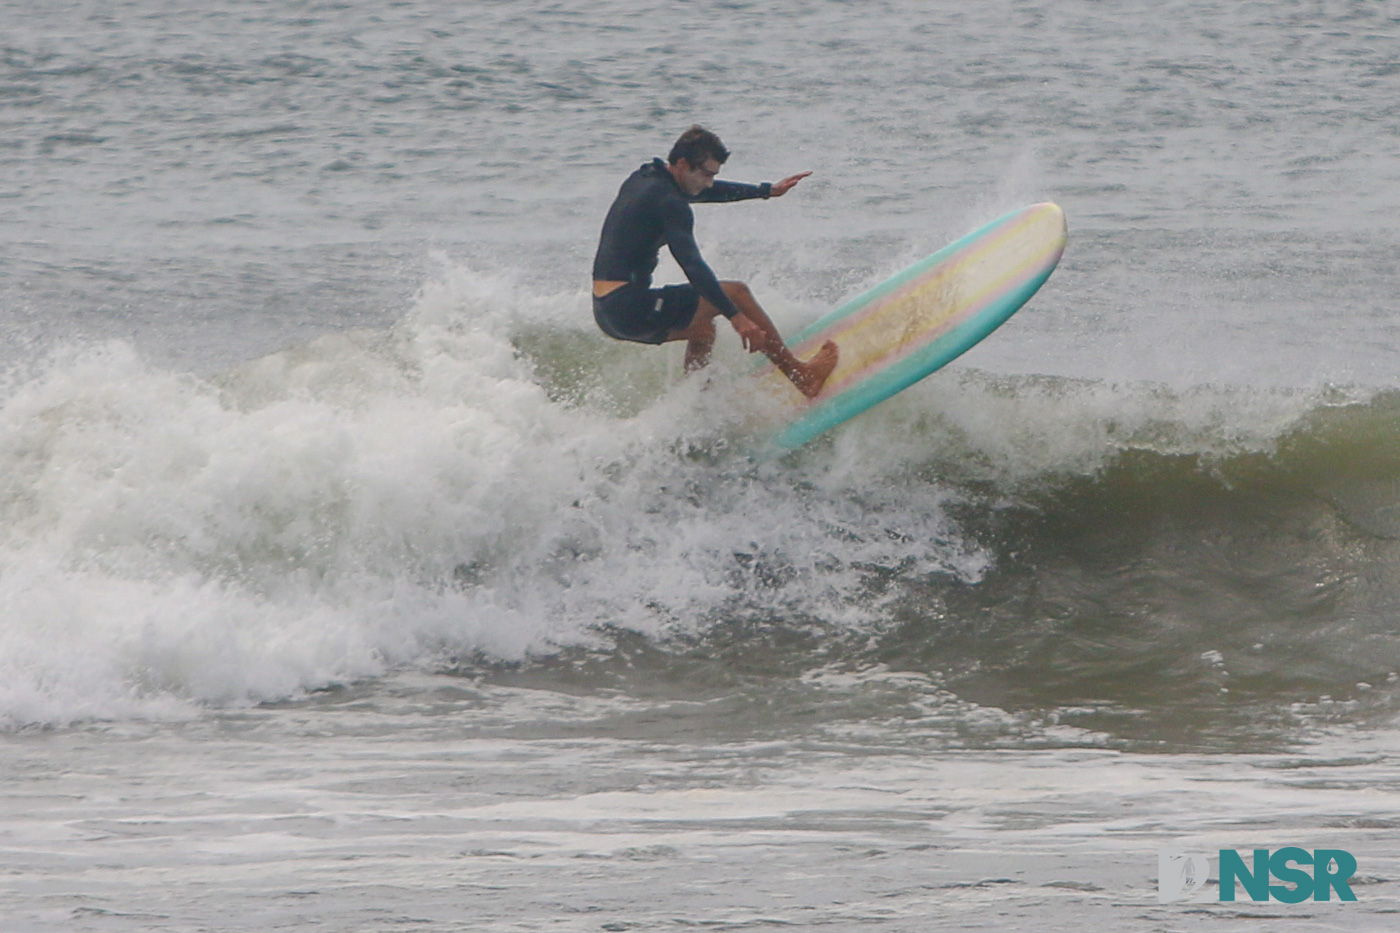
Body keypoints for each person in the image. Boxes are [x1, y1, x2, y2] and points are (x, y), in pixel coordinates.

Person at [591, 126, 839, 398]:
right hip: (629, 307)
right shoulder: (671, 203)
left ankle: (697, 407)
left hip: (606, 311)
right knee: (737, 293)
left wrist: (766, 191)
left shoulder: (647, 178)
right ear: (684, 164)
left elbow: (705, 191)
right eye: (707, 174)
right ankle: (802, 377)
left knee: (702, 330)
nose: (709, 182)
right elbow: (692, 264)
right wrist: (737, 316)